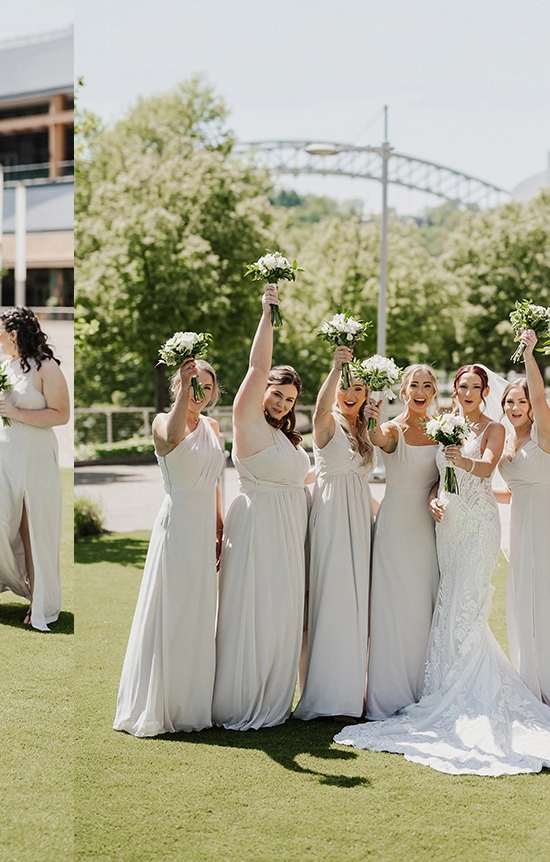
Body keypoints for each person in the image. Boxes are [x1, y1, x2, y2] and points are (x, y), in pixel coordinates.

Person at [335, 352, 550, 775]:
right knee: (447, 599)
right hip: (447, 525)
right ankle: (442, 683)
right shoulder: (444, 425)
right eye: (461, 387)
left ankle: (469, 688)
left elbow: (487, 469)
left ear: (484, 393)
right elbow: (434, 472)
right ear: (453, 392)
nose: (468, 393)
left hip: (478, 525)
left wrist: (459, 458)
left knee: (468, 603)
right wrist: (436, 493)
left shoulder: (494, 430)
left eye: (475, 387)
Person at [210, 286, 312, 730]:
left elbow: (298, 478)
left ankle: (275, 694)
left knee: (283, 611)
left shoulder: (285, 437)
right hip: (256, 525)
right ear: (262, 393)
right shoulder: (247, 420)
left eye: (289, 400)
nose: (282, 403)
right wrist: (268, 311)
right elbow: (257, 365)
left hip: (290, 529)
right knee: (252, 608)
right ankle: (240, 698)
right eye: (277, 394)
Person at [113, 355, 222, 737]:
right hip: (177, 523)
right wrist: (183, 388)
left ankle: (191, 701)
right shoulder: (164, 419)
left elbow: (216, 479)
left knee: (199, 609)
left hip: (205, 521)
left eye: (207, 387)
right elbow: (173, 438)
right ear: (180, 384)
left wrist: (220, 522)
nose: (200, 393)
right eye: (194, 384)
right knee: (172, 606)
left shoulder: (213, 426)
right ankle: (160, 702)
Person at [0, 307, 69, 631]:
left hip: (35, 456)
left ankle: (39, 598)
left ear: (13, 333)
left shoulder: (45, 367)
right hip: (0, 453)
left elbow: (61, 414)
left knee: (32, 525)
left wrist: (19, 413)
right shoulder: (3, 367)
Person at [495, 330, 550, 714]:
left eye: (521, 401)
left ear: (532, 405)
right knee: (525, 598)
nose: (515, 407)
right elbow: (513, 492)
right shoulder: (506, 441)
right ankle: (531, 681)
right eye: (509, 401)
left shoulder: (546, 435)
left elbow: (542, 396)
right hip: (522, 525)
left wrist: (529, 354)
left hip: (549, 521)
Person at [295, 343, 377, 720]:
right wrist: (336, 368)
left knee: (357, 601)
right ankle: (325, 694)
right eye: (346, 388)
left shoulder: (364, 430)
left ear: (366, 395)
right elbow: (318, 408)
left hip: (359, 520)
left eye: (358, 388)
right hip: (330, 518)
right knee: (331, 598)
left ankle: (351, 691)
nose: (350, 394)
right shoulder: (327, 423)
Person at [365, 363, 441, 719]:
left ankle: (425, 687)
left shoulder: (444, 429)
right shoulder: (393, 428)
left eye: (427, 384)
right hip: (396, 526)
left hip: (429, 527)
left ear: (434, 391)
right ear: (404, 391)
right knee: (393, 607)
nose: (421, 390)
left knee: (423, 604)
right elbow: (379, 440)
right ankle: (389, 693)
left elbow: (447, 473)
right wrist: (371, 419)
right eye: (414, 384)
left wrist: (437, 494)